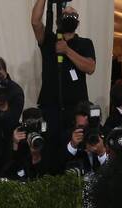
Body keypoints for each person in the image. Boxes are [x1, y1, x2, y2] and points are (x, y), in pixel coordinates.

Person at [31, 0, 96, 139]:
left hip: (76, 108)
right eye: (66, 14)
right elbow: (35, 22)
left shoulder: (85, 43)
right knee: (50, 146)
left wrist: (67, 50)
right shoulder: (49, 39)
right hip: (50, 107)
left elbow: (90, 67)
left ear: (78, 22)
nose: (69, 16)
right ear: (59, 19)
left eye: (73, 15)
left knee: (76, 146)